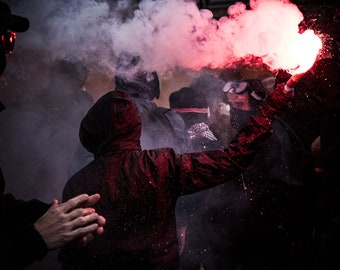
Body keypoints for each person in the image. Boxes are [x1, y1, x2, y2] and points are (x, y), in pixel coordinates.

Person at [58, 74, 295, 269]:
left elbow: (71, 252)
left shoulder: (77, 183)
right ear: (135, 128)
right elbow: (233, 159)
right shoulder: (159, 165)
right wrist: (271, 108)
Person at [0, 2, 105, 269]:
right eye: (5, 38)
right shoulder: (30, 109)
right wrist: (36, 238)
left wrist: (50, 214)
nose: (7, 53)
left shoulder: (80, 102)